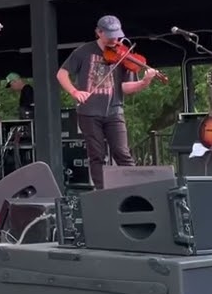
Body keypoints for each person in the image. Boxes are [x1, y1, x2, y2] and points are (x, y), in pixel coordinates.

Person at [55, 15, 156, 189]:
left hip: (115, 111)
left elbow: (125, 88)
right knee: (97, 155)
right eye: (110, 35)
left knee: (122, 153)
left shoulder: (123, 54)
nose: (114, 40)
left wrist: (144, 82)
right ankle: (102, 192)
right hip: (88, 112)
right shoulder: (83, 51)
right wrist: (75, 91)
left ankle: (135, 190)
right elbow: (61, 74)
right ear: (99, 32)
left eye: (117, 35)